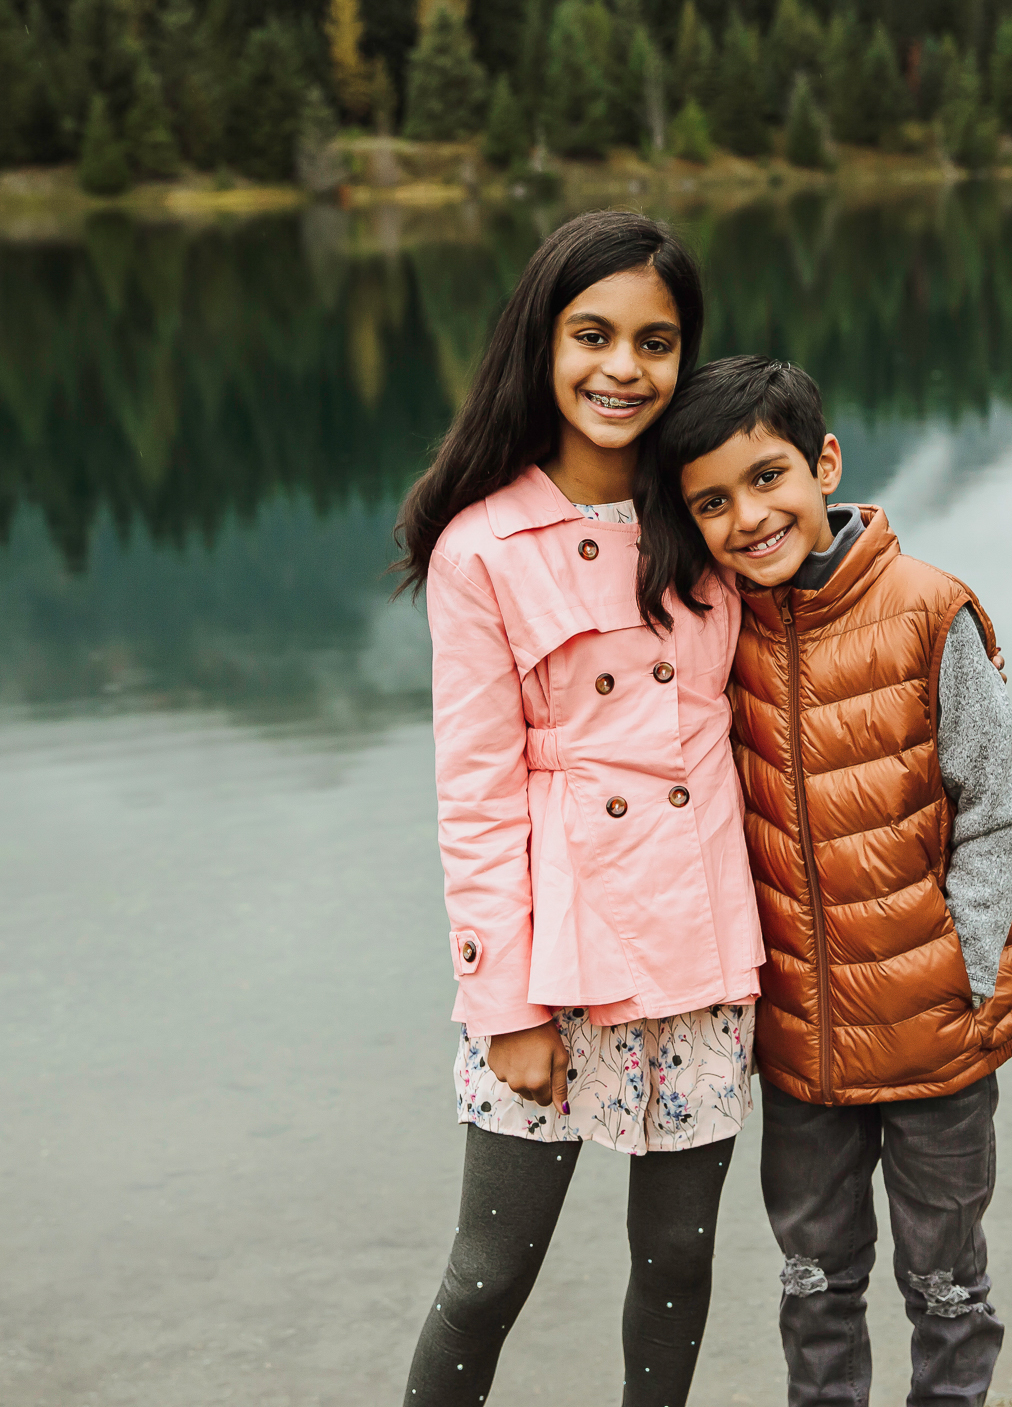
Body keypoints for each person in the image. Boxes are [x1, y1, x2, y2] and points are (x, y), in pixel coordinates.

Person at [390, 212, 763, 1407]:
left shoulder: (701, 515)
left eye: (656, 343)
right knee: (492, 1272)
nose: (622, 369)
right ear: (539, 345)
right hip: (556, 958)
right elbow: (477, 799)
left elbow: (803, 544)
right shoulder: (482, 547)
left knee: (678, 1263)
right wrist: (503, 1000)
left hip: (704, 943)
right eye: (591, 335)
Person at [636, 356, 1012, 1407]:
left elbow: (993, 810)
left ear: (825, 463)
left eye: (769, 478)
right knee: (814, 1282)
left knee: (946, 1284)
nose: (748, 518)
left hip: (936, 1033)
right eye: (712, 503)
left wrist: (972, 976)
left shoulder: (931, 611)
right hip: (800, 1044)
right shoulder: (719, 629)